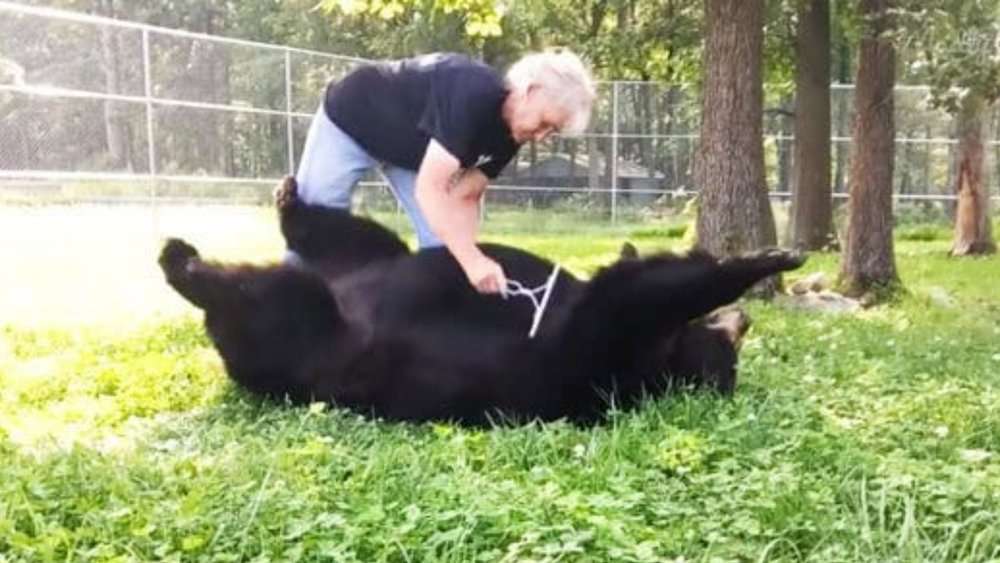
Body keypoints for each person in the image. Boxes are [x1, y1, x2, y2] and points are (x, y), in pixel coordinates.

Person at [291, 50, 596, 294]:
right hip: (352, 120)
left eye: (551, 132)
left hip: (410, 154)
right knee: (312, 226)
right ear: (530, 91)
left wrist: (466, 258)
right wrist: (473, 261)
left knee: (443, 252)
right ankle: (279, 314)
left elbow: (466, 195)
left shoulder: (511, 136)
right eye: (544, 123)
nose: (541, 137)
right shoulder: (472, 93)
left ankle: (428, 331)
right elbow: (430, 190)